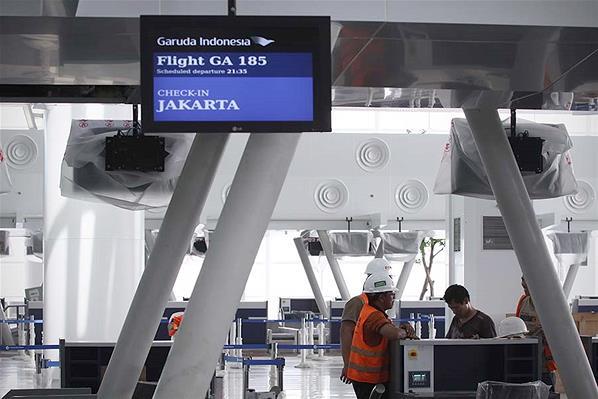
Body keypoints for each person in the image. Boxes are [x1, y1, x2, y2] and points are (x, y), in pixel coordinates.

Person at [346, 273, 417, 399]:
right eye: (391, 294)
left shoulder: (372, 311)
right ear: (380, 297)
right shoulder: (374, 315)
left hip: (365, 377)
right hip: (368, 379)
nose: (394, 297)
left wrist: (402, 328)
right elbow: (394, 333)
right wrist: (406, 333)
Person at [340, 258, 392, 383]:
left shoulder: (377, 304)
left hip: (376, 369)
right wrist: (347, 365)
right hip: (362, 371)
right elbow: (346, 333)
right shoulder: (357, 302)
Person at [516, 276, 557, 386]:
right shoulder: (523, 301)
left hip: (544, 365)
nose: (523, 284)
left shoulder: (551, 305)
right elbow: (516, 327)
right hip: (525, 360)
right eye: (522, 279)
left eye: (526, 280)